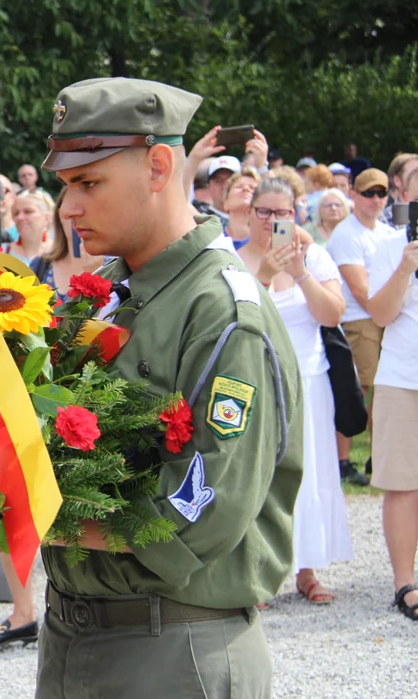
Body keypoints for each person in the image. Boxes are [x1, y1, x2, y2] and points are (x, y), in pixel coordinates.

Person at [34, 78, 302, 699]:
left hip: (173, 649)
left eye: (88, 182)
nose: (68, 207)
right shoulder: (110, 287)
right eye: (65, 185)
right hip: (74, 635)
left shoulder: (223, 311)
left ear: (159, 166)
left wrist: (22, 518)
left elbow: (196, 512)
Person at [238, 177, 350, 605]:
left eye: (281, 212)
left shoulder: (316, 257)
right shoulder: (233, 259)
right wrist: (264, 276)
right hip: (256, 381)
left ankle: (308, 568)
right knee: (258, 477)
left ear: (295, 214)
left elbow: (332, 314)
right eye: (263, 211)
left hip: (308, 381)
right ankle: (257, 570)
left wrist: (300, 274)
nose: (271, 220)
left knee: (312, 473)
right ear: (249, 214)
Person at [367, 166, 418, 621]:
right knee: (404, 483)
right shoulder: (387, 244)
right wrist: (406, 265)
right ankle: (406, 583)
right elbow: (381, 314)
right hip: (404, 377)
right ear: (402, 190)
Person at [326, 168, 395, 485]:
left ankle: (377, 459)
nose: (376, 199)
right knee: (359, 391)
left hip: (384, 317)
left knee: (384, 391)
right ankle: (343, 461)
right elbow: (359, 288)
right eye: (369, 193)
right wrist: (388, 311)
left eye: (382, 193)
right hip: (359, 318)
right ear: (354, 195)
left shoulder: (387, 231)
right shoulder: (346, 233)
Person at [28, 188, 104, 297]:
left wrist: (96, 273)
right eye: (70, 212)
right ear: (60, 215)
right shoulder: (41, 264)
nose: (77, 219)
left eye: (86, 210)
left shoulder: (115, 265)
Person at [4, 194, 51, 263]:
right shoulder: (3, 251)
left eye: (28, 211)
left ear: (46, 218)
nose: (20, 217)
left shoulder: (60, 252)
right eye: (16, 213)